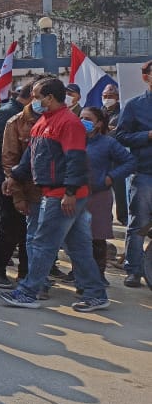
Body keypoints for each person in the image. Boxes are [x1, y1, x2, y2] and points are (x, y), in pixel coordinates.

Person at [0, 79, 110, 312]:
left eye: (37, 96)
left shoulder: (69, 123)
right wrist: (14, 177)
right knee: (79, 247)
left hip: (63, 194)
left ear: (49, 98)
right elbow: (31, 156)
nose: (34, 100)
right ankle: (96, 293)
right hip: (58, 193)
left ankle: (29, 291)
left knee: (43, 243)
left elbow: (76, 159)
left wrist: (69, 192)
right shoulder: (43, 122)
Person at [0, 80, 35, 289]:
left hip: (31, 181)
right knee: (10, 228)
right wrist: (16, 172)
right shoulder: (8, 114)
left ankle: (25, 274)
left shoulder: (34, 116)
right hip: (8, 178)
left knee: (28, 231)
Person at [81, 106, 134, 281]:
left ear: (99, 124)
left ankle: (98, 274)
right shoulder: (74, 140)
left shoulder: (108, 142)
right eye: (81, 117)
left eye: (88, 119)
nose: (83, 122)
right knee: (78, 237)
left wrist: (111, 177)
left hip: (99, 195)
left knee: (97, 236)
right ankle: (78, 272)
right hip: (77, 194)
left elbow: (129, 162)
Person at [113, 59, 152, 288]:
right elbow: (120, 137)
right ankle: (133, 270)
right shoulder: (133, 105)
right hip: (144, 173)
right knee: (139, 223)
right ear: (145, 77)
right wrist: (147, 136)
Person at [101, 83, 127, 224]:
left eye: (110, 96)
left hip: (117, 159)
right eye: (105, 96)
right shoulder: (98, 112)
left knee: (120, 190)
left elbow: (120, 132)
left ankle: (123, 217)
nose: (107, 99)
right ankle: (106, 218)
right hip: (101, 158)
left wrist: (108, 131)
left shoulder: (123, 113)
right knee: (102, 192)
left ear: (117, 97)